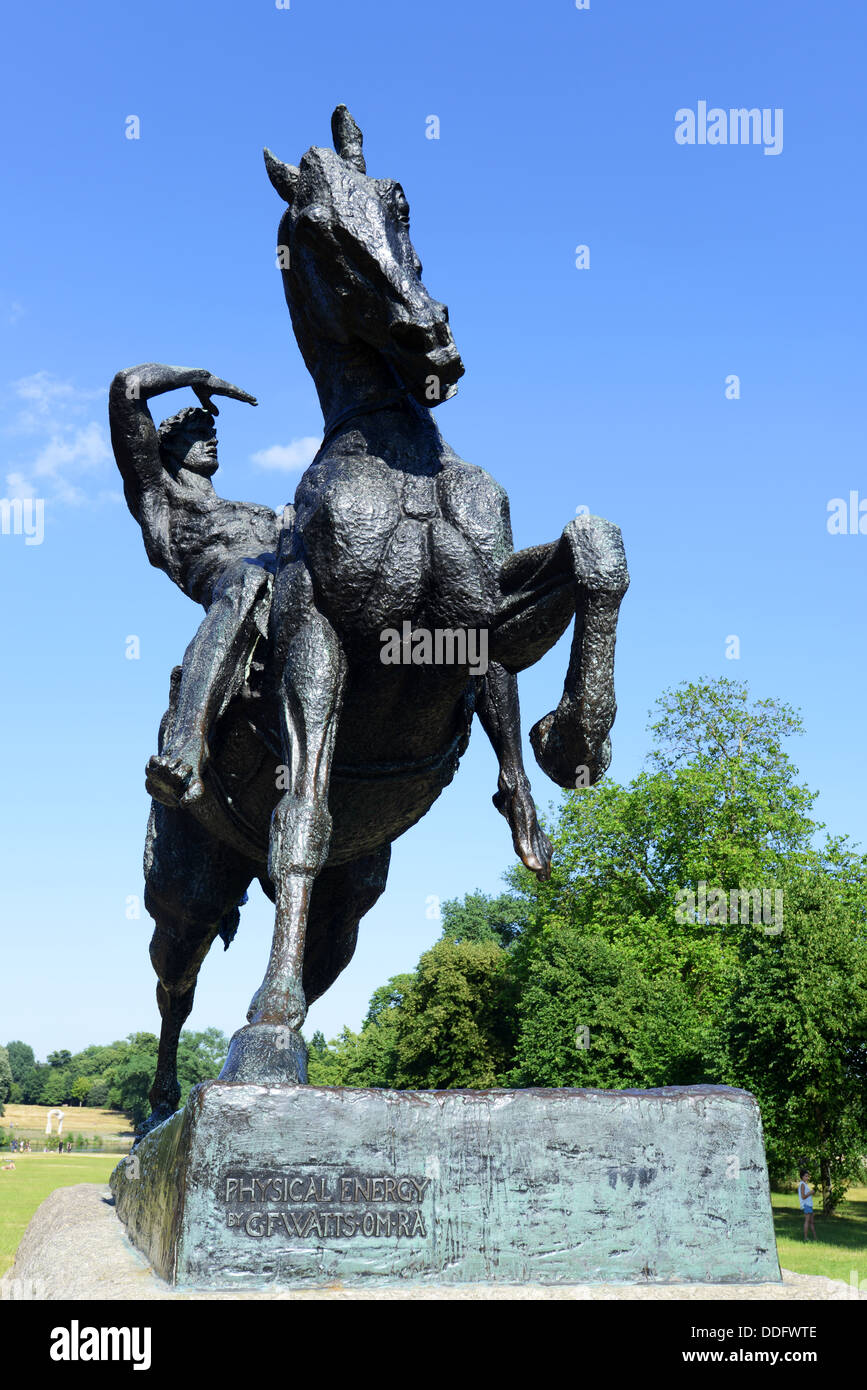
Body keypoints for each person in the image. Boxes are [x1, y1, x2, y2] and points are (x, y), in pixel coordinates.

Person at [109, 364, 282, 807]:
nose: (210, 436)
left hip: (288, 590)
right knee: (247, 577)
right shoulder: (157, 496)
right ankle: (187, 744)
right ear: (163, 446)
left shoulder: (260, 511)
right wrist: (195, 378)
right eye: (195, 431)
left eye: (210, 430)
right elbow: (127, 387)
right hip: (236, 587)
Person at [798, 1168, 816, 1239]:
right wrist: (810, 1192)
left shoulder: (805, 1184)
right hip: (806, 1205)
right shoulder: (802, 1184)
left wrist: (811, 1193)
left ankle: (815, 1237)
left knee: (811, 1222)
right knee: (807, 1221)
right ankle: (805, 1237)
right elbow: (803, 1196)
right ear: (802, 1176)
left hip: (809, 1204)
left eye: (808, 1176)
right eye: (806, 1176)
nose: (807, 1177)